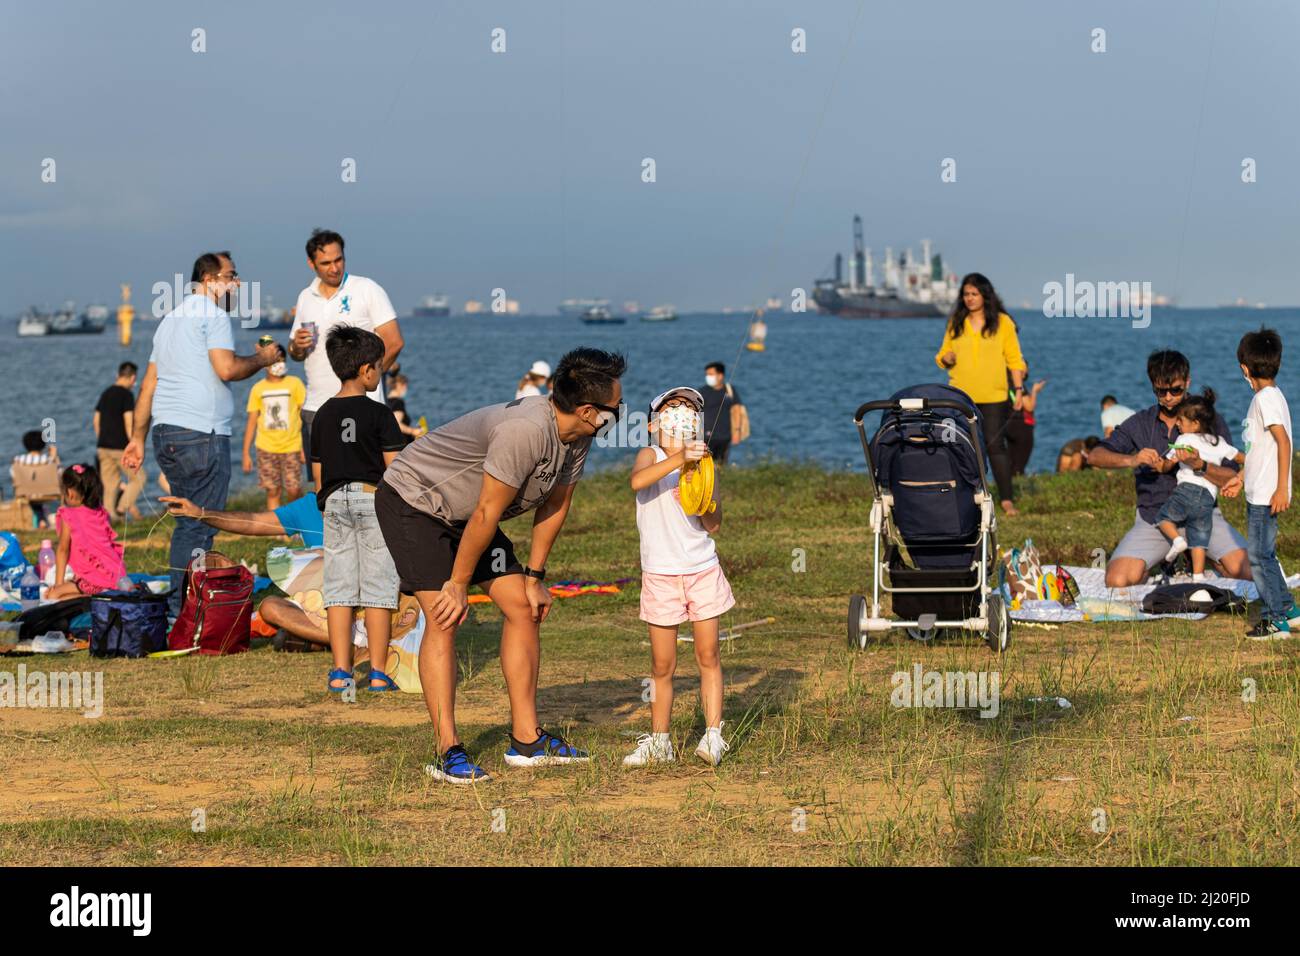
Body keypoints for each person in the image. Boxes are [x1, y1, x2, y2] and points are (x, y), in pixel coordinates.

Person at [376, 347, 626, 784]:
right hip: (415, 503)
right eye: (616, 408)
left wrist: (534, 577)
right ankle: (447, 750)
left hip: (468, 515)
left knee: (523, 606)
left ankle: (526, 741)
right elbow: (486, 514)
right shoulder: (524, 431)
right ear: (588, 410)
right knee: (444, 617)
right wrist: (457, 582)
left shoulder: (578, 436)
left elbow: (556, 504)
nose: (621, 413)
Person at [120, 251, 278, 615]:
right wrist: (263, 359)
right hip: (202, 433)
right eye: (232, 275)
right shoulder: (214, 314)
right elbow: (227, 369)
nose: (237, 283)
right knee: (199, 523)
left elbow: (147, 386)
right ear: (210, 281)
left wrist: (137, 439)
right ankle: (183, 612)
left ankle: (184, 605)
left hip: (166, 434)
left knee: (187, 520)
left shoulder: (169, 321)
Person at [624, 387, 735, 768]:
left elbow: (714, 524)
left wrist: (704, 491)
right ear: (654, 423)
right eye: (673, 408)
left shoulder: (702, 463)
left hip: (701, 569)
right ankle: (659, 740)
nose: (682, 414)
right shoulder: (650, 455)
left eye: (689, 409)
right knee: (662, 665)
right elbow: (638, 482)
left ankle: (714, 734)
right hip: (660, 575)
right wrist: (677, 460)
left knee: (708, 655)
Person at [1087, 350, 1250, 587]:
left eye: (1175, 390)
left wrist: (1201, 466)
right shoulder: (1140, 423)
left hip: (1205, 515)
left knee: (1248, 572)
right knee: (1117, 580)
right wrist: (1132, 460)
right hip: (1154, 519)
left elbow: (1231, 475)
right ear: (1153, 387)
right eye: (1161, 391)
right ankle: (1167, 564)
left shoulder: (1210, 421)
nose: (1169, 397)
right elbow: (1094, 456)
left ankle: (1192, 560)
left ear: (1187, 382)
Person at [310, 327, 406, 692]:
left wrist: (325, 503)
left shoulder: (322, 415)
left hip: (334, 501)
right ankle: (378, 672)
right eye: (379, 367)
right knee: (379, 587)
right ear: (367, 370)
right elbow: (394, 469)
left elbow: (318, 471)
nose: (380, 373)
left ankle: (340, 672)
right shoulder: (380, 414)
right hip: (372, 498)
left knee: (339, 587)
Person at [288, 229, 403, 477]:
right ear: (311, 263)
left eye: (338, 259)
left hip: (364, 407)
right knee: (323, 491)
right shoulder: (305, 297)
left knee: (375, 484)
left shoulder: (366, 288)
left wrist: (363, 381)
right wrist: (296, 346)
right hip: (317, 407)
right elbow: (295, 354)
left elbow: (394, 342)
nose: (334, 268)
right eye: (325, 263)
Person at [1223, 328, 1296, 638]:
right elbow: (1259, 449)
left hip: (1267, 494)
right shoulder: (1271, 397)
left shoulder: (1265, 400)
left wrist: (1282, 488)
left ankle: (1274, 619)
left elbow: (1284, 443)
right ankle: (1289, 610)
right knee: (1266, 554)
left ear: (1244, 368)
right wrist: (1240, 477)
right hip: (1260, 490)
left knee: (1258, 556)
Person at [935, 273, 1027, 516]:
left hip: (994, 395)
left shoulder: (1003, 322)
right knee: (958, 445)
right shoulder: (956, 321)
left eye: (974, 294)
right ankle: (964, 496)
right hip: (960, 396)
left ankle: (1006, 500)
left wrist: (1018, 390)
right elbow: (942, 354)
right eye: (966, 294)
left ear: (985, 295)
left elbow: (1014, 359)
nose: (969, 298)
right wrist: (947, 358)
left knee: (995, 446)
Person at [1152, 390, 1242, 583]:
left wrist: (1162, 465)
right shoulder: (1219, 441)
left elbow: (1168, 463)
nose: (1177, 424)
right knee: (1199, 538)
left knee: (1163, 518)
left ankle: (1177, 541)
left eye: (1181, 421)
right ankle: (1198, 577)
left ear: (1195, 424)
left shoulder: (1183, 440)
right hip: (1208, 498)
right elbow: (1241, 458)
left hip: (1187, 490)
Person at [46, 463, 127, 600]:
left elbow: (63, 550)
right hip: (117, 575)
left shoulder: (68, 515)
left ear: (70, 493)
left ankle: (93, 598)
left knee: (53, 596)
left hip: (96, 581)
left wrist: (58, 584)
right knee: (66, 589)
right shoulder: (101, 512)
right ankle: (97, 595)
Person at [242, 343, 306, 510]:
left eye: (281, 360)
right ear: (265, 364)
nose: (278, 364)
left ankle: (294, 527)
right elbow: (252, 421)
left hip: (292, 446)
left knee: (294, 489)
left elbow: (303, 416)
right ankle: (277, 531)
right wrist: (246, 453)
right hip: (266, 448)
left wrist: (305, 446)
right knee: (272, 490)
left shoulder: (295, 383)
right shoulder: (258, 389)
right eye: (274, 360)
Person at [94, 362, 146, 521]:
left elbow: (96, 420)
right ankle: (122, 507)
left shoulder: (106, 393)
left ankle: (110, 518)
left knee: (110, 485)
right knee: (140, 478)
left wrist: (101, 439)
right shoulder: (127, 395)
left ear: (118, 375)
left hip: (103, 446)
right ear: (133, 378)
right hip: (120, 447)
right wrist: (134, 443)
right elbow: (128, 421)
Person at [11, 430, 59, 529]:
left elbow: (13, 475)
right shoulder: (49, 460)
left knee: (34, 499)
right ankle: (42, 519)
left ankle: (40, 519)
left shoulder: (17, 460)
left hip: (25, 493)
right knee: (39, 498)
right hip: (49, 492)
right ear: (43, 444)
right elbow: (58, 473)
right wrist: (54, 456)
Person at [701, 362, 744, 465]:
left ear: (720, 375)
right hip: (706, 436)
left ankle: (720, 479)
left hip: (725, 436)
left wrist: (737, 432)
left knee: (721, 464)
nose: (708, 377)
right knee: (705, 464)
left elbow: (737, 410)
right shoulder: (703, 392)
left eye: (711, 374)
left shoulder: (729, 390)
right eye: (707, 374)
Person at [1006, 374, 1046, 476]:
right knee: (1019, 464)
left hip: (1009, 425)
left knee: (1012, 461)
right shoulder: (1019, 385)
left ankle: (1008, 485)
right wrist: (1034, 390)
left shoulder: (1006, 382)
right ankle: (1016, 487)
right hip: (1022, 426)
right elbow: (1029, 406)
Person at [386, 373, 423, 444]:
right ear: (399, 385)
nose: (406, 388)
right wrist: (413, 431)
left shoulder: (385, 401)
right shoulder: (398, 402)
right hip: (401, 446)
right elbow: (397, 424)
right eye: (405, 385)